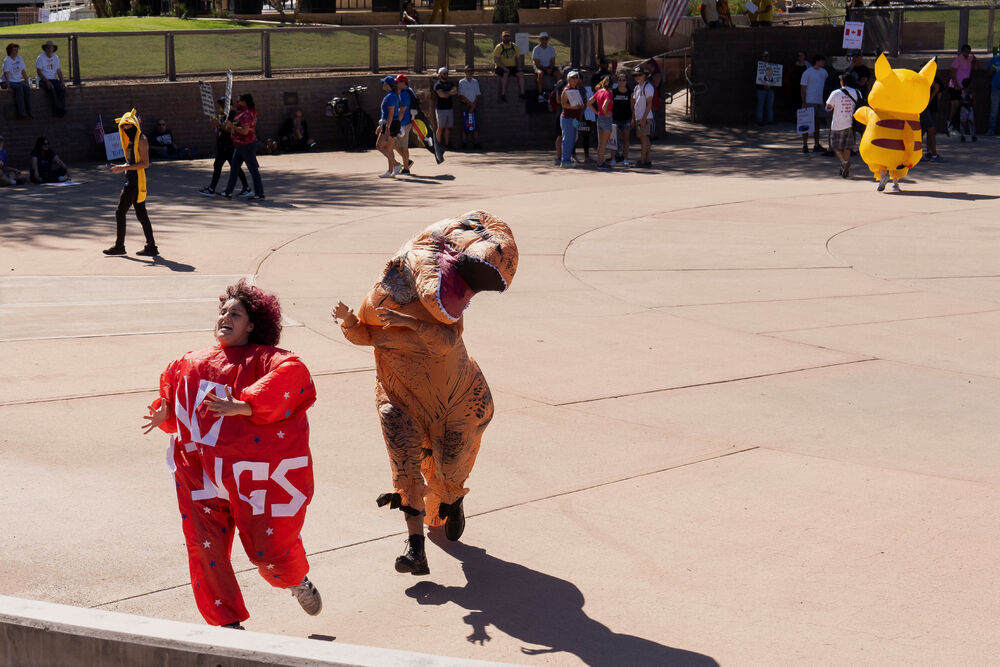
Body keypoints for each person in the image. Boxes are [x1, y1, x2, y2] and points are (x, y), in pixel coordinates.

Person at [332, 211, 519, 578]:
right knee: (404, 469)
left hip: (456, 401)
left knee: (448, 470)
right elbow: (368, 336)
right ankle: (414, 546)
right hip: (399, 398)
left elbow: (446, 343)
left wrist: (410, 323)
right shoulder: (384, 295)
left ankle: (453, 499)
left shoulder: (445, 307)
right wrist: (350, 321)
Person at [143, 279, 322, 628]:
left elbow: (294, 375)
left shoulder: (267, 359)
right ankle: (227, 624)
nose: (225, 317)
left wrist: (246, 405)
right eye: (223, 311)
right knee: (204, 548)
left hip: (251, 477)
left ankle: (294, 580)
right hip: (201, 475)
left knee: (269, 552)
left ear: (252, 325)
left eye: (235, 314)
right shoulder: (190, 362)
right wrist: (165, 415)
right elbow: (177, 402)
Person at [102, 110, 158, 257]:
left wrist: (123, 168)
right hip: (131, 179)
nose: (126, 129)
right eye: (124, 127)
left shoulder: (142, 139)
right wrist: (122, 166)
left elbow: (145, 164)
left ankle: (119, 246)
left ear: (135, 125)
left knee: (120, 212)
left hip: (135, 182)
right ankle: (151, 246)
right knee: (141, 214)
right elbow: (132, 161)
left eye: (129, 126)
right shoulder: (132, 141)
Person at [201, 97, 248, 197]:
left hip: (229, 146)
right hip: (222, 146)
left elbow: (231, 130)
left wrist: (218, 124)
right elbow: (220, 127)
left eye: (222, 104)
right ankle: (212, 188)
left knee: (235, 167)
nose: (221, 106)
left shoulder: (233, 114)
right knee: (218, 166)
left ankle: (246, 188)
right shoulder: (222, 114)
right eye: (220, 104)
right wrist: (215, 122)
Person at [222, 94, 265, 201]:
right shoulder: (240, 114)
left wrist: (232, 126)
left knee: (253, 169)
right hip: (239, 145)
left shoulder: (247, 114)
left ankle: (259, 194)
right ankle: (228, 192)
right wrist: (228, 125)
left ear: (244, 102)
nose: (237, 103)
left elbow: (245, 131)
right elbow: (235, 128)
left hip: (247, 145)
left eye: (238, 101)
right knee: (234, 168)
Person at [825, 72, 861, 179]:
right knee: (847, 147)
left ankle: (844, 163)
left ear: (842, 82)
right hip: (851, 123)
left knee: (835, 146)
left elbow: (828, 107)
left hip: (837, 124)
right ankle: (845, 167)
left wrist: (830, 107)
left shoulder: (836, 93)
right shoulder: (857, 92)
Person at [800, 54, 829, 153]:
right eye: (822, 61)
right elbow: (803, 88)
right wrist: (803, 102)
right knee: (806, 123)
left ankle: (816, 144)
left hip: (820, 101)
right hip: (809, 101)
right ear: (817, 61)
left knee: (817, 123)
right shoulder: (807, 72)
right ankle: (805, 144)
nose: (823, 63)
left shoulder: (824, 72)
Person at [375, 76, 400, 179]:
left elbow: (391, 113)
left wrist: (388, 127)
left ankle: (396, 164)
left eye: (384, 83)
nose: (383, 85)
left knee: (379, 146)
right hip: (390, 123)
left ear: (388, 85)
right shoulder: (391, 95)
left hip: (391, 124)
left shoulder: (390, 96)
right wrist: (381, 126)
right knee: (389, 148)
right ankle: (390, 171)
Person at [559, 70, 585, 169]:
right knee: (567, 140)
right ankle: (565, 161)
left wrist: (581, 106)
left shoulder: (577, 89)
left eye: (576, 77)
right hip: (567, 118)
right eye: (573, 77)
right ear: (568, 79)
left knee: (573, 139)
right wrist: (573, 107)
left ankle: (567, 159)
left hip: (575, 118)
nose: (575, 79)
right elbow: (563, 104)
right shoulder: (566, 90)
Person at [947, 44, 975, 136]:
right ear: (962, 51)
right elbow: (952, 71)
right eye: (965, 51)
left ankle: (957, 128)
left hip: (964, 88)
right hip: (955, 87)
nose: (967, 53)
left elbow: (974, 59)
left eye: (968, 52)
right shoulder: (958, 60)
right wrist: (956, 84)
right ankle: (949, 125)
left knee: (961, 108)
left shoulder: (969, 59)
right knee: (954, 107)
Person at [588, 75, 614, 170]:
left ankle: (600, 161)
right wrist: (606, 113)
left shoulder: (599, 91)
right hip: (606, 118)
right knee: (604, 143)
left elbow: (589, 102)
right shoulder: (608, 93)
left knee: (600, 142)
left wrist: (596, 112)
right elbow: (604, 106)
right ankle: (600, 163)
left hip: (599, 118)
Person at [35, 40, 66, 117]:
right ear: (45, 49)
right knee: (51, 90)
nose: (49, 49)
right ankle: (57, 110)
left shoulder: (56, 57)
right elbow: (39, 72)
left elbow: (58, 71)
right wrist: (47, 82)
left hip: (53, 79)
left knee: (62, 88)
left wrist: (62, 81)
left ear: (53, 49)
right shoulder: (40, 58)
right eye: (48, 48)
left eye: (51, 48)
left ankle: (60, 108)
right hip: (42, 80)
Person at [631, 66, 654, 168]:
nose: (637, 77)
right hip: (639, 117)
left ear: (645, 75)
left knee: (643, 139)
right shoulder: (636, 88)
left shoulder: (648, 87)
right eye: (635, 75)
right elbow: (636, 104)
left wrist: (644, 119)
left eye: (639, 75)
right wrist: (634, 118)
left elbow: (649, 104)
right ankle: (647, 160)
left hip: (645, 117)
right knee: (645, 139)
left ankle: (643, 160)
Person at [493, 31, 525, 102]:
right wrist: (504, 68)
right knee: (506, 74)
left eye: (508, 36)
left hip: (512, 67)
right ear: (502, 37)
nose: (506, 38)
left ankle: (522, 93)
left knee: (521, 74)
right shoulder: (499, 47)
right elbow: (496, 60)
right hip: (501, 67)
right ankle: (503, 94)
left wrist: (519, 67)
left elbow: (518, 57)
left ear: (510, 37)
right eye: (505, 36)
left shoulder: (514, 46)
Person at [2, 43, 31, 119]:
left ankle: (29, 112)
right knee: (19, 89)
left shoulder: (19, 58)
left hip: (17, 81)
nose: (17, 51)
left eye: (17, 49)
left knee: (26, 88)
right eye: (15, 50)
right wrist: (8, 86)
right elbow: (6, 74)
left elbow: (23, 71)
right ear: (10, 51)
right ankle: (22, 113)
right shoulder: (7, 60)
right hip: (6, 82)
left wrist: (27, 82)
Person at [433, 66, 458, 152]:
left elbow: (455, 91)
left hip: (449, 108)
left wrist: (446, 93)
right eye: (444, 73)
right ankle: (437, 146)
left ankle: (447, 145)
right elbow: (441, 95)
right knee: (440, 127)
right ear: (440, 74)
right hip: (440, 109)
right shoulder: (437, 85)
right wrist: (450, 93)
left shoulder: (450, 83)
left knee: (448, 127)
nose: (446, 75)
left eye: (447, 73)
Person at [457, 65, 482, 149]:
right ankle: (464, 143)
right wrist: (471, 104)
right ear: (465, 72)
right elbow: (461, 96)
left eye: (471, 71)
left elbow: (478, 95)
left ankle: (476, 143)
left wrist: (473, 105)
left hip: (474, 105)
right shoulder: (462, 82)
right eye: (468, 71)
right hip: (465, 105)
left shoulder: (475, 81)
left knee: (475, 124)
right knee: (465, 124)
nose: (470, 73)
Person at [610, 69, 632, 167]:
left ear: (626, 81)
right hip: (615, 118)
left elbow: (632, 106)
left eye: (624, 80)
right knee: (613, 140)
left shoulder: (630, 92)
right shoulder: (613, 92)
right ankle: (613, 158)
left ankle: (625, 159)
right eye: (620, 80)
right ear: (617, 81)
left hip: (626, 119)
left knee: (625, 140)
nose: (622, 82)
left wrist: (633, 118)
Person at [921, 77, 944, 162]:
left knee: (929, 131)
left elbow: (939, 98)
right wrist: (935, 92)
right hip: (925, 110)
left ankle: (929, 152)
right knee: (929, 130)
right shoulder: (925, 84)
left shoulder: (937, 83)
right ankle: (933, 154)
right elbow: (926, 102)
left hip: (930, 110)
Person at [394, 74, 413, 174]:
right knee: (394, 144)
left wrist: (397, 122)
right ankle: (407, 161)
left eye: (398, 82)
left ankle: (406, 168)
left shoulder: (404, 94)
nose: (396, 84)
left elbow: (402, 110)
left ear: (403, 83)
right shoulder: (407, 91)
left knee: (404, 146)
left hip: (404, 123)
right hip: (404, 122)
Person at [531, 32, 557, 102]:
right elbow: (537, 64)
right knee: (540, 74)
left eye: (546, 38)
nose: (544, 40)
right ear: (540, 40)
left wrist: (550, 68)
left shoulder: (551, 48)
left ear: (548, 40)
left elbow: (553, 61)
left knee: (558, 74)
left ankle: (557, 93)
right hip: (539, 67)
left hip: (549, 67)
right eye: (542, 39)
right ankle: (540, 94)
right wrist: (546, 69)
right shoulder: (536, 49)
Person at [755, 50, 776, 125]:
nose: (766, 58)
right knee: (760, 105)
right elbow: (757, 78)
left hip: (771, 89)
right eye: (764, 56)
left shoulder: (773, 66)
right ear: (762, 57)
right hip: (761, 89)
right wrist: (763, 84)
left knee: (770, 106)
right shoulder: (758, 66)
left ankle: (770, 120)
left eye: (767, 56)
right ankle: (760, 121)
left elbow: (775, 78)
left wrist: (770, 85)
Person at [959, 77, 976, 143]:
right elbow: (963, 98)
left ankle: (973, 135)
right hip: (964, 108)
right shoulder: (963, 90)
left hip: (969, 108)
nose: (972, 84)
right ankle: (962, 135)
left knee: (971, 121)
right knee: (963, 122)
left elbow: (973, 99)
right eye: (971, 83)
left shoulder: (971, 91)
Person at [989, 48, 1000, 136]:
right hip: (996, 88)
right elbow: (989, 72)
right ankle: (991, 130)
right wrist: (995, 67)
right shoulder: (995, 59)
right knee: (994, 110)